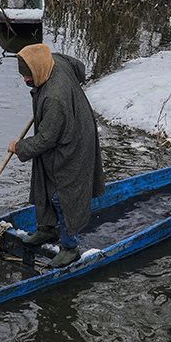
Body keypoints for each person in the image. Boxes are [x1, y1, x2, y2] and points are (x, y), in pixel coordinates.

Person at [10, 42, 102, 269]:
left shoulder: (54, 98)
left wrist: (19, 147)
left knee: (62, 194)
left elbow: (45, 140)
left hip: (74, 142)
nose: (25, 81)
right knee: (44, 181)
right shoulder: (56, 60)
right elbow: (79, 67)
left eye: (28, 76)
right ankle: (47, 229)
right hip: (64, 128)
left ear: (38, 70)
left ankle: (70, 247)